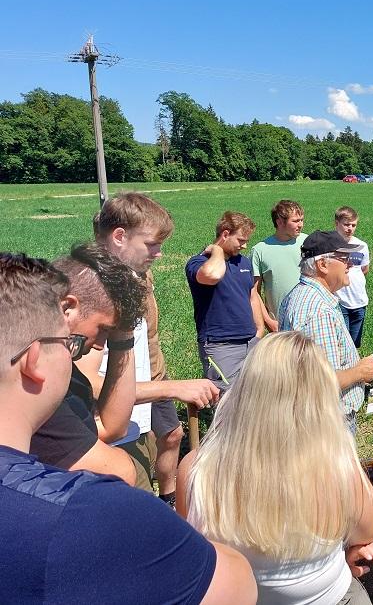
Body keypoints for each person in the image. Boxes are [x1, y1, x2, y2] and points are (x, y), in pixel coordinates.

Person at [0, 253, 256, 604]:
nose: (87, 350)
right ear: (33, 360)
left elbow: (108, 424)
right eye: (68, 344)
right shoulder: (92, 509)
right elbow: (236, 586)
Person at [177, 332, 373, 605]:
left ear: (246, 389)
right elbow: (369, 529)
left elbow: (193, 561)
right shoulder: (336, 463)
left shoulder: (195, 469)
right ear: (320, 401)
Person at [92, 192, 220, 501]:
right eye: (152, 244)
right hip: (105, 435)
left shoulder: (131, 279)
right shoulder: (94, 292)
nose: (159, 253)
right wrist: (170, 389)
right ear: (119, 237)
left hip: (132, 422)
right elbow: (86, 382)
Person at [30, 243, 147, 486]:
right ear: (67, 307)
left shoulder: (65, 368)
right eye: (103, 330)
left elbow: (110, 427)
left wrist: (123, 339)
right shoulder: (37, 377)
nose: (100, 345)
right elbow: (118, 471)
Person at [279, 231, 373, 433]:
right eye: (344, 258)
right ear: (322, 265)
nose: (351, 264)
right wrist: (361, 371)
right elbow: (323, 381)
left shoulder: (299, 295)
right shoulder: (318, 312)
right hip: (329, 422)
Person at [186, 211, 261, 391]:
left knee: (252, 399)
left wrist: (259, 331)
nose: (244, 246)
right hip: (220, 345)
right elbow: (212, 275)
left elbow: (252, 295)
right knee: (226, 404)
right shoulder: (198, 262)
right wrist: (218, 250)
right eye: (241, 240)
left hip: (250, 341)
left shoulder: (244, 262)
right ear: (225, 234)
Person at [250, 199, 308, 333]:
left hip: (309, 320)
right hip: (279, 325)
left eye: (301, 220)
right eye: (295, 221)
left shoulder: (309, 242)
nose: (300, 225)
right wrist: (268, 321)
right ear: (279, 222)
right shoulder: (260, 250)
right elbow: (254, 292)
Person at [334, 206, 370, 349]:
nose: (350, 228)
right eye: (346, 224)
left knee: (354, 344)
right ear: (336, 223)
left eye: (353, 225)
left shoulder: (361, 245)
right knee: (341, 343)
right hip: (339, 301)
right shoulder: (330, 245)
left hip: (359, 300)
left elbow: (364, 269)